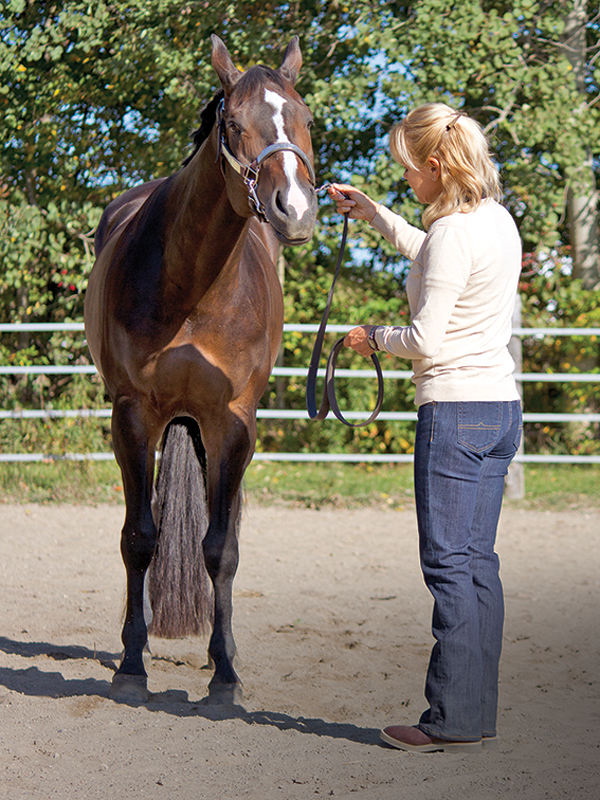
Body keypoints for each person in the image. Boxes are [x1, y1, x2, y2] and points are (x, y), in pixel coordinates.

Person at [328, 103, 522, 754]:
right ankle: (475, 710)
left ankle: (449, 718)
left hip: (454, 411)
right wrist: (375, 215)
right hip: (499, 410)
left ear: (436, 165)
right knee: (478, 562)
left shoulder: (452, 234)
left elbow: (425, 338)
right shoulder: (494, 220)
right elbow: (436, 256)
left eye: (409, 170)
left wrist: (373, 337)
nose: (406, 179)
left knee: (446, 565)